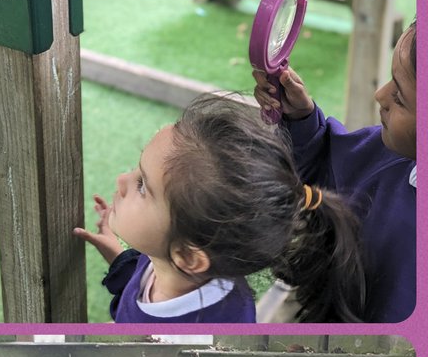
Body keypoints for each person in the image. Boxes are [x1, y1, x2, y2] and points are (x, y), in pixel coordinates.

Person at [74, 93, 367, 324]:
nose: (121, 180)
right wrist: (117, 256)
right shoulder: (176, 258)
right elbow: (140, 284)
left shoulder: (212, 328)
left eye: (142, 186)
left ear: (188, 256)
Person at [252, 19, 416, 323]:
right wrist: (301, 119)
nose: (380, 95)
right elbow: (328, 174)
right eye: (390, 81)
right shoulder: (389, 153)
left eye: (400, 98)